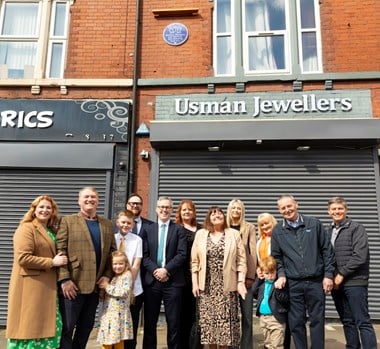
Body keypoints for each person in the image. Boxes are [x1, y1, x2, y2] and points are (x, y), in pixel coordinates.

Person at [271, 194, 335, 349]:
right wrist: (281, 275)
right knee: (296, 322)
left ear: (296, 204)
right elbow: (276, 257)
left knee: (317, 320)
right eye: (283, 208)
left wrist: (328, 275)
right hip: (293, 284)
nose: (287, 210)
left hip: (315, 281)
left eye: (289, 206)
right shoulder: (278, 230)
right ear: (280, 211)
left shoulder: (314, 224)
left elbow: (327, 251)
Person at [56, 186, 117, 349]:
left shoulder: (107, 224)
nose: (90, 200)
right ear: (79, 201)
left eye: (93, 197)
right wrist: (65, 278)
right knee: (67, 328)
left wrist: (107, 275)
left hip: (95, 287)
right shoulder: (67, 221)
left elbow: (113, 253)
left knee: (86, 327)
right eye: (86, 197)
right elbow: (59, 250)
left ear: (98, 201)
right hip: (72, 285)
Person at [6, 195, 68, 349]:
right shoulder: (26, 228)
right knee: (30, 329)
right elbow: (23, 258)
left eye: (49, 207)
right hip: (31, 287)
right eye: (41, 207)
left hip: (47, 287)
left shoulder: (51, 230)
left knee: (49, 327)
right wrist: (52, 262)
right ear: (33, 210)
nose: (45, 210)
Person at [191, 206, 247, 349]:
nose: (217, 216)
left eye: (220, 213)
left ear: (224, 217)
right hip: (207, 288)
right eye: (213, 214)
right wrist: (195, 283)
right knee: (209, 328)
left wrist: (241, 282)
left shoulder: (233, 234)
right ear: (208, 218)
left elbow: (241, 260)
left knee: (225, 330)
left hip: (227, 287)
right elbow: (194, 261)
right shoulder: (201, 234)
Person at [327, 196, 377, 349]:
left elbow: (360, 255)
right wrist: (330, 277)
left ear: (346, 210)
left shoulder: (356, 228)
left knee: (362, 321)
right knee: (347, 321)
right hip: (337, 284)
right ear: (329, 212)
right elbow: (327, 256)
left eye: (340, 208)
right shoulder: (328, 231)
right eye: (334, 209)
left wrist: (341, 274)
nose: (337, 211)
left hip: (355, 282)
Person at [141, 196, 187, 349]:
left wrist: (166, 270)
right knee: (150, 321)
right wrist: (156, 270)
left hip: (173, 282)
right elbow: (144, 255)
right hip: (152, 281)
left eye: (167, 207)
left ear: (172, 210)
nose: (164, 210)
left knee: (174, 322)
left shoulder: (179, 229)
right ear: (156, 209)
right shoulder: (148, 229)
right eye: (161, 207)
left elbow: (182, 254)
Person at [256, 213, 291, 349]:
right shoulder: (260, 240)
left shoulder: (280, 238)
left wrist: (280, 275)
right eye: (262, 225)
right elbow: (259, 260)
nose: (265, 226)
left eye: (267, 223)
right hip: (265, 279)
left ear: (273, 222)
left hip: (277, 278)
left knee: (280, 315)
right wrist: (259, 270)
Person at [226, 198, 257, 349]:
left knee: (246, 316)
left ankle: (246, 346)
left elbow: (252, 254)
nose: (236, 211)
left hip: (245, 279)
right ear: (229, 210)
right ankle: (232, 345)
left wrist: (250, 276)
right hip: (228, 279)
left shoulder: (249, 227)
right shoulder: (223, 227)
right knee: (231, 316)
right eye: (234, 208)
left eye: (239, 208)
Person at [125, 193, 154, 349]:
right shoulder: (119, 226)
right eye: (132, 203)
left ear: (142, 206)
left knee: (147, 319)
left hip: (146, 280)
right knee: (128, 318)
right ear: (127, 205)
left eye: (138, 204)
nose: (135, 206)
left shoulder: (151, 226)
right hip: (124, 280)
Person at [175, 199, 202, 349]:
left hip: (197, 276)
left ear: (194, 212)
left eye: (189, 210)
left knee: (195, 314)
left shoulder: (201, 229)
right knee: (181, 314)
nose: (187, 212)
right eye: (184, 210)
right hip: (180, 277)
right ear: (179, 212)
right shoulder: (175, 228)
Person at [114, 210, 143, 349]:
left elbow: (136, 264)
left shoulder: (137, 240)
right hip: (114, 291)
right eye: (123, 222)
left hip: (133, 289)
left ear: (133, 225)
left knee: (131, 325)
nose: (125, 225)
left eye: (128, 223)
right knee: (114, 325)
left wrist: (128, 286)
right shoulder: (112, 239)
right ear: (117, 222)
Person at [97, 251, 134, 349]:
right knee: (106, 340)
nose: (118, 266)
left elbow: (124, 292)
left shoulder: (127, 275)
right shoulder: (113, 277)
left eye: (121, 264)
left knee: (118, 341)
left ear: (126, 264)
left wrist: (107, 286)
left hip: (119, 315)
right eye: (115, 264)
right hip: (109, 314)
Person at [252, 256, 289, 349]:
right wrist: (259, 279)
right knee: (268, 344)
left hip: (276, 318)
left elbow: (285, 299)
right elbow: (253, 292)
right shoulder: (262, 284)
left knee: (277, 345)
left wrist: (279, 290)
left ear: (276, 271)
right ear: (262, 273)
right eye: (267, 273)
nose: (270, 276)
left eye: (272, 273)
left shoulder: (280, 284)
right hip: (263, 318)